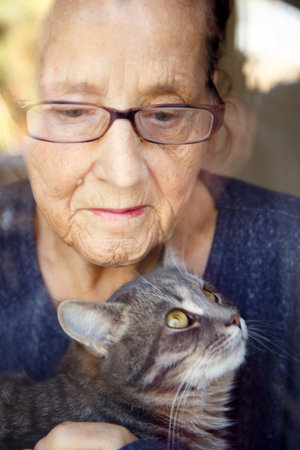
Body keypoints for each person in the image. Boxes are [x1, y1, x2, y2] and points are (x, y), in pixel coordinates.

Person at [0, 0, 299, 449]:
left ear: (216, 118)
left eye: (165, 114)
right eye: (73, 110)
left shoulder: (290, 249)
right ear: (21, 116)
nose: (123, 174)